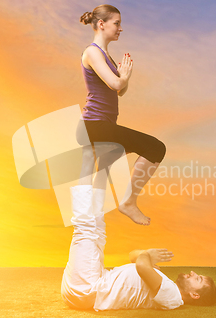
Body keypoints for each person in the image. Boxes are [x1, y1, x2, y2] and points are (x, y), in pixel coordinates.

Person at [77, 4, 166, 226]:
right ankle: (128, 202)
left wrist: (125, 77)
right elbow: (115, 83)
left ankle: (94, 221)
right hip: (94, 126)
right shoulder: (92, 52)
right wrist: (122, 78)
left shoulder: (105, 55)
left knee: (102, 174)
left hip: (102, 126)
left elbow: (119, 90)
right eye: (117, 23)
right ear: (101, 24)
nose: (120, 28)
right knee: (155, 147)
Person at [61, 185, 216, 311]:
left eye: (197, 278)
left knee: (86, 228)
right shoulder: (164, 283)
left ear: (194, 295)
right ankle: (103, 165)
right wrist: (145, 255)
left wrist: (146, 256)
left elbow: (141, 266)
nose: (192, 273)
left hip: (88, 289)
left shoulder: (172, 297)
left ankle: (89, 157)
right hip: (94, 283)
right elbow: (133, 257)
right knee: (97, 229)